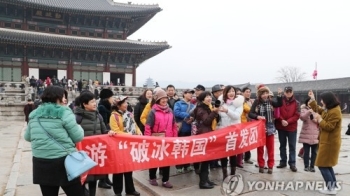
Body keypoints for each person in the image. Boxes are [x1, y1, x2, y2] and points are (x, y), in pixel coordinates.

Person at [24, 86, 84, 196]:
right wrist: (78, 127)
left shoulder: (34, 114)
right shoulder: (65, 112)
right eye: (63, 97)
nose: (65, 100)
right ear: (56, 97)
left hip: (41, 162)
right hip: (63, 161)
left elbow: (27, 137)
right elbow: (78, 137)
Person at [308, 90, 342, 195]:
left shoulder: (335, 111)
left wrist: (319, 120)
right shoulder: (330, 109)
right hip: (327, 141)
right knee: (327, 165)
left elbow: (329, 127)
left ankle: (331, 188)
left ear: (328, 100)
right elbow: (319, 110)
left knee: (322, 164)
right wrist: (313, 99)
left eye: (322, 100)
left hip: (330, 143)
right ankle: (333, 186)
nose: (321, 102)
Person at [74, 91, 108, 195]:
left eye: (95, 101)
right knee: (82, 180)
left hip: (96, 153)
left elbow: (104, 131)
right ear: (84, 104)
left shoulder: (98, 116)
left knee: (94, 178)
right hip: (82, 155)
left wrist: (109, 133)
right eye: (92, 102)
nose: (95, 104)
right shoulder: (77, 118)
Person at [108, 96, 141, 196]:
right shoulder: (114, 116)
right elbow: (116, 132)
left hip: (129, 146)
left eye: (126, 103)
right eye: (124, 103)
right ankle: (117, 191)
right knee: (118, 169)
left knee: (128, 168)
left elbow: (135, 126)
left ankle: (130, 189)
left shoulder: (129, 114)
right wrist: (130, 136)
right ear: (118, 105)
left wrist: (139, 133)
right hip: (118, 147)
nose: (126, 104)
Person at [145, 89, 177, 189]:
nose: (164, 100)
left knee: (167, 161)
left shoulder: (170, 111)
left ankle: (165, 180)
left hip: (168, 140)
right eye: (162, 98)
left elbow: (174, 126)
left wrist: (175, 138)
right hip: (156, 140)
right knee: (155, 159)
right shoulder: (153, 111)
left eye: (165, 98)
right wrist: (148, 140)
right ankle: (152, 177)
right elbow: (148, 127)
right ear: (157, 99)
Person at [249, 84, 282, 174]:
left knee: (270, 147)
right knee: (260, 148)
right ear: (260, 94)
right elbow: (250, 113)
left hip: (270, 127)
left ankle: (270, 166)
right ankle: (261, 165)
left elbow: (279, 104)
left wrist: (279, 95)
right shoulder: (256, 102)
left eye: (266, 93)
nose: (265, 95)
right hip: (260, 127)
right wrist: (258, 116)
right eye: (263, 93)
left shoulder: (271, 101)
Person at [191, 91, 221, 189]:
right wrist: (214, 112)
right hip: (203, 135)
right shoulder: (201, 109)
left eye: (210, 97)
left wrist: (215, 113)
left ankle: (206, 179)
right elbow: (207, 121)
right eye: (207, 97)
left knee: (207, 159)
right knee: (204, 160)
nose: (209, 98)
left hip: (208, 134)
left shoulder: (208, 107)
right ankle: (203, 182)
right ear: (202, 99)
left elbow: (214, 120)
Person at [217, 85, 244, 180]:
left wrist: (227, 111)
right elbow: (218, 117)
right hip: (223, 131)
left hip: (234, 132)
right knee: (223, 154)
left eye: (233, 91)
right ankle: (224, 173)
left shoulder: (239, 103)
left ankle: (232, 173)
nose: (232, 93)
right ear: (225, 93)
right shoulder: (221, 102)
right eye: (229, 91)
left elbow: (236, 116)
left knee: (233, 153)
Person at [275, 86, 300, 172]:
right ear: (284, 92)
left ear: (292, 92)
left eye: (290, 91)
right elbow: (277, 112)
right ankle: (283, 161)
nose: (288, 93)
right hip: (281, 126)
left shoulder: (297, 103)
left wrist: (288, 121)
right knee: (282, 145)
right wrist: (282, 120)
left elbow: (297, 115)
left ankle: (292, 163)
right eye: (287, 91)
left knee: (292, 146)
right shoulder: (280, 101)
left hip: (291, 127)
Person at [174, 89, 195, 173]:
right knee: (180, 148)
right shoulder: (178, 103)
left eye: (192, 94)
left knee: (188, 148)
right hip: (181, 129)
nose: (191, 95)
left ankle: (187, 165)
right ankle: (179, 166)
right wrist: (188, 115)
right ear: (184, 94)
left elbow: (195, 115)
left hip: (190, 129)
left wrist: (192, 118)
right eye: (189, 93)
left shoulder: (193, 106)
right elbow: (176, 112)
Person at [298, 97, 319, 172]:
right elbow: (302, 118)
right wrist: (308, 112)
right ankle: (306, 166)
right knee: (306, 152)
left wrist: (314, 119)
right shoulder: (304, 110)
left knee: (314, 152)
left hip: (315, 134)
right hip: (306, 134)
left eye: (312, 101)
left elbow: (320, 121)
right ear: (306, 103)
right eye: (309, 101)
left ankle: (312, 166)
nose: (310, 103)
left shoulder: (317, 111)